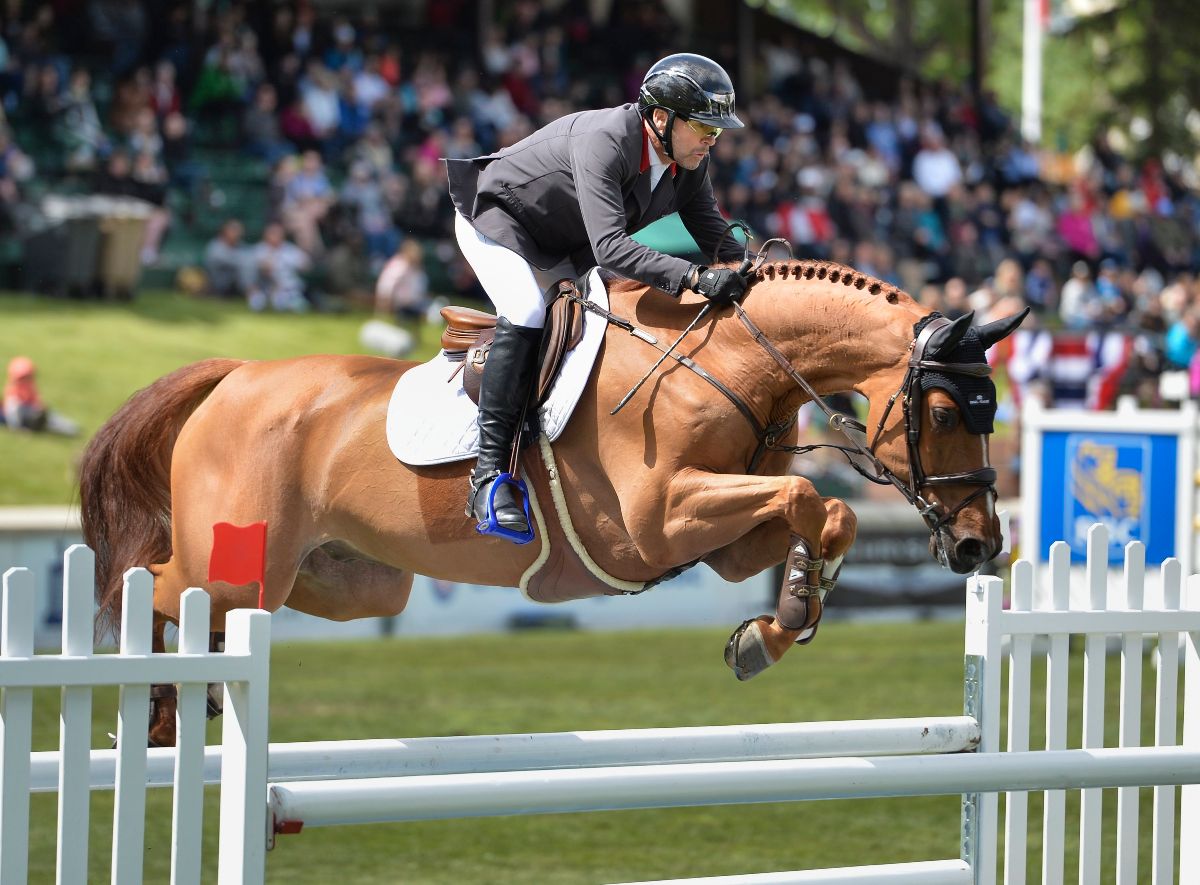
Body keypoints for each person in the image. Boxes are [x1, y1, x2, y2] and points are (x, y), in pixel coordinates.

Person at [445, 52, 748, 540]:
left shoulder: (689, 163)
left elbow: (718, 238)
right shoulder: (606, 141)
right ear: (661, 118)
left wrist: (761, 277)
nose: (713, 140)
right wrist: (693, 277)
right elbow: (610, 248)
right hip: (498, 218)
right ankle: (488, 478)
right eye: (704, 128)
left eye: (717, 131)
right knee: (526, 310)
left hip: (562, 243)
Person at [2, 356, 79, 436]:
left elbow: (36, 399)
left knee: (51, 416)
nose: (27, 379)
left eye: (29, 376)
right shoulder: (12, 392)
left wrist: (40, 407)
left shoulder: (29, 386)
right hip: (24, 417)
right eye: (24, 377)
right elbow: (12, 412)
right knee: (48, 421)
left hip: (33, 412)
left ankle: (72, 428)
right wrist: (18, 428)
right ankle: (69, 430)